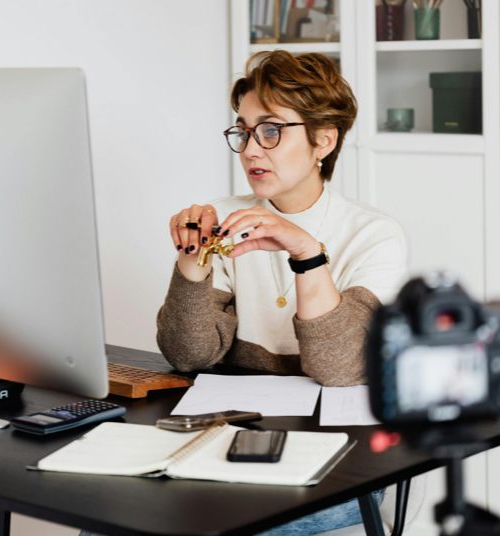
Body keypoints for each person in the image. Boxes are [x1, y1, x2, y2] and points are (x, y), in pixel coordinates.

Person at [156, 50, 408, 535]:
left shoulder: (374, 234)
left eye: (271, 130)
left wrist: (306, 254)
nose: (251, 149)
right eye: (244, 130)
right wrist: (192, 262)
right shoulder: (224, 218)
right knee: (114, 520)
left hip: (344, 461)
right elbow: (189, 354)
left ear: (323, 141)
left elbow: (339, 370)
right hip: (234, 441)